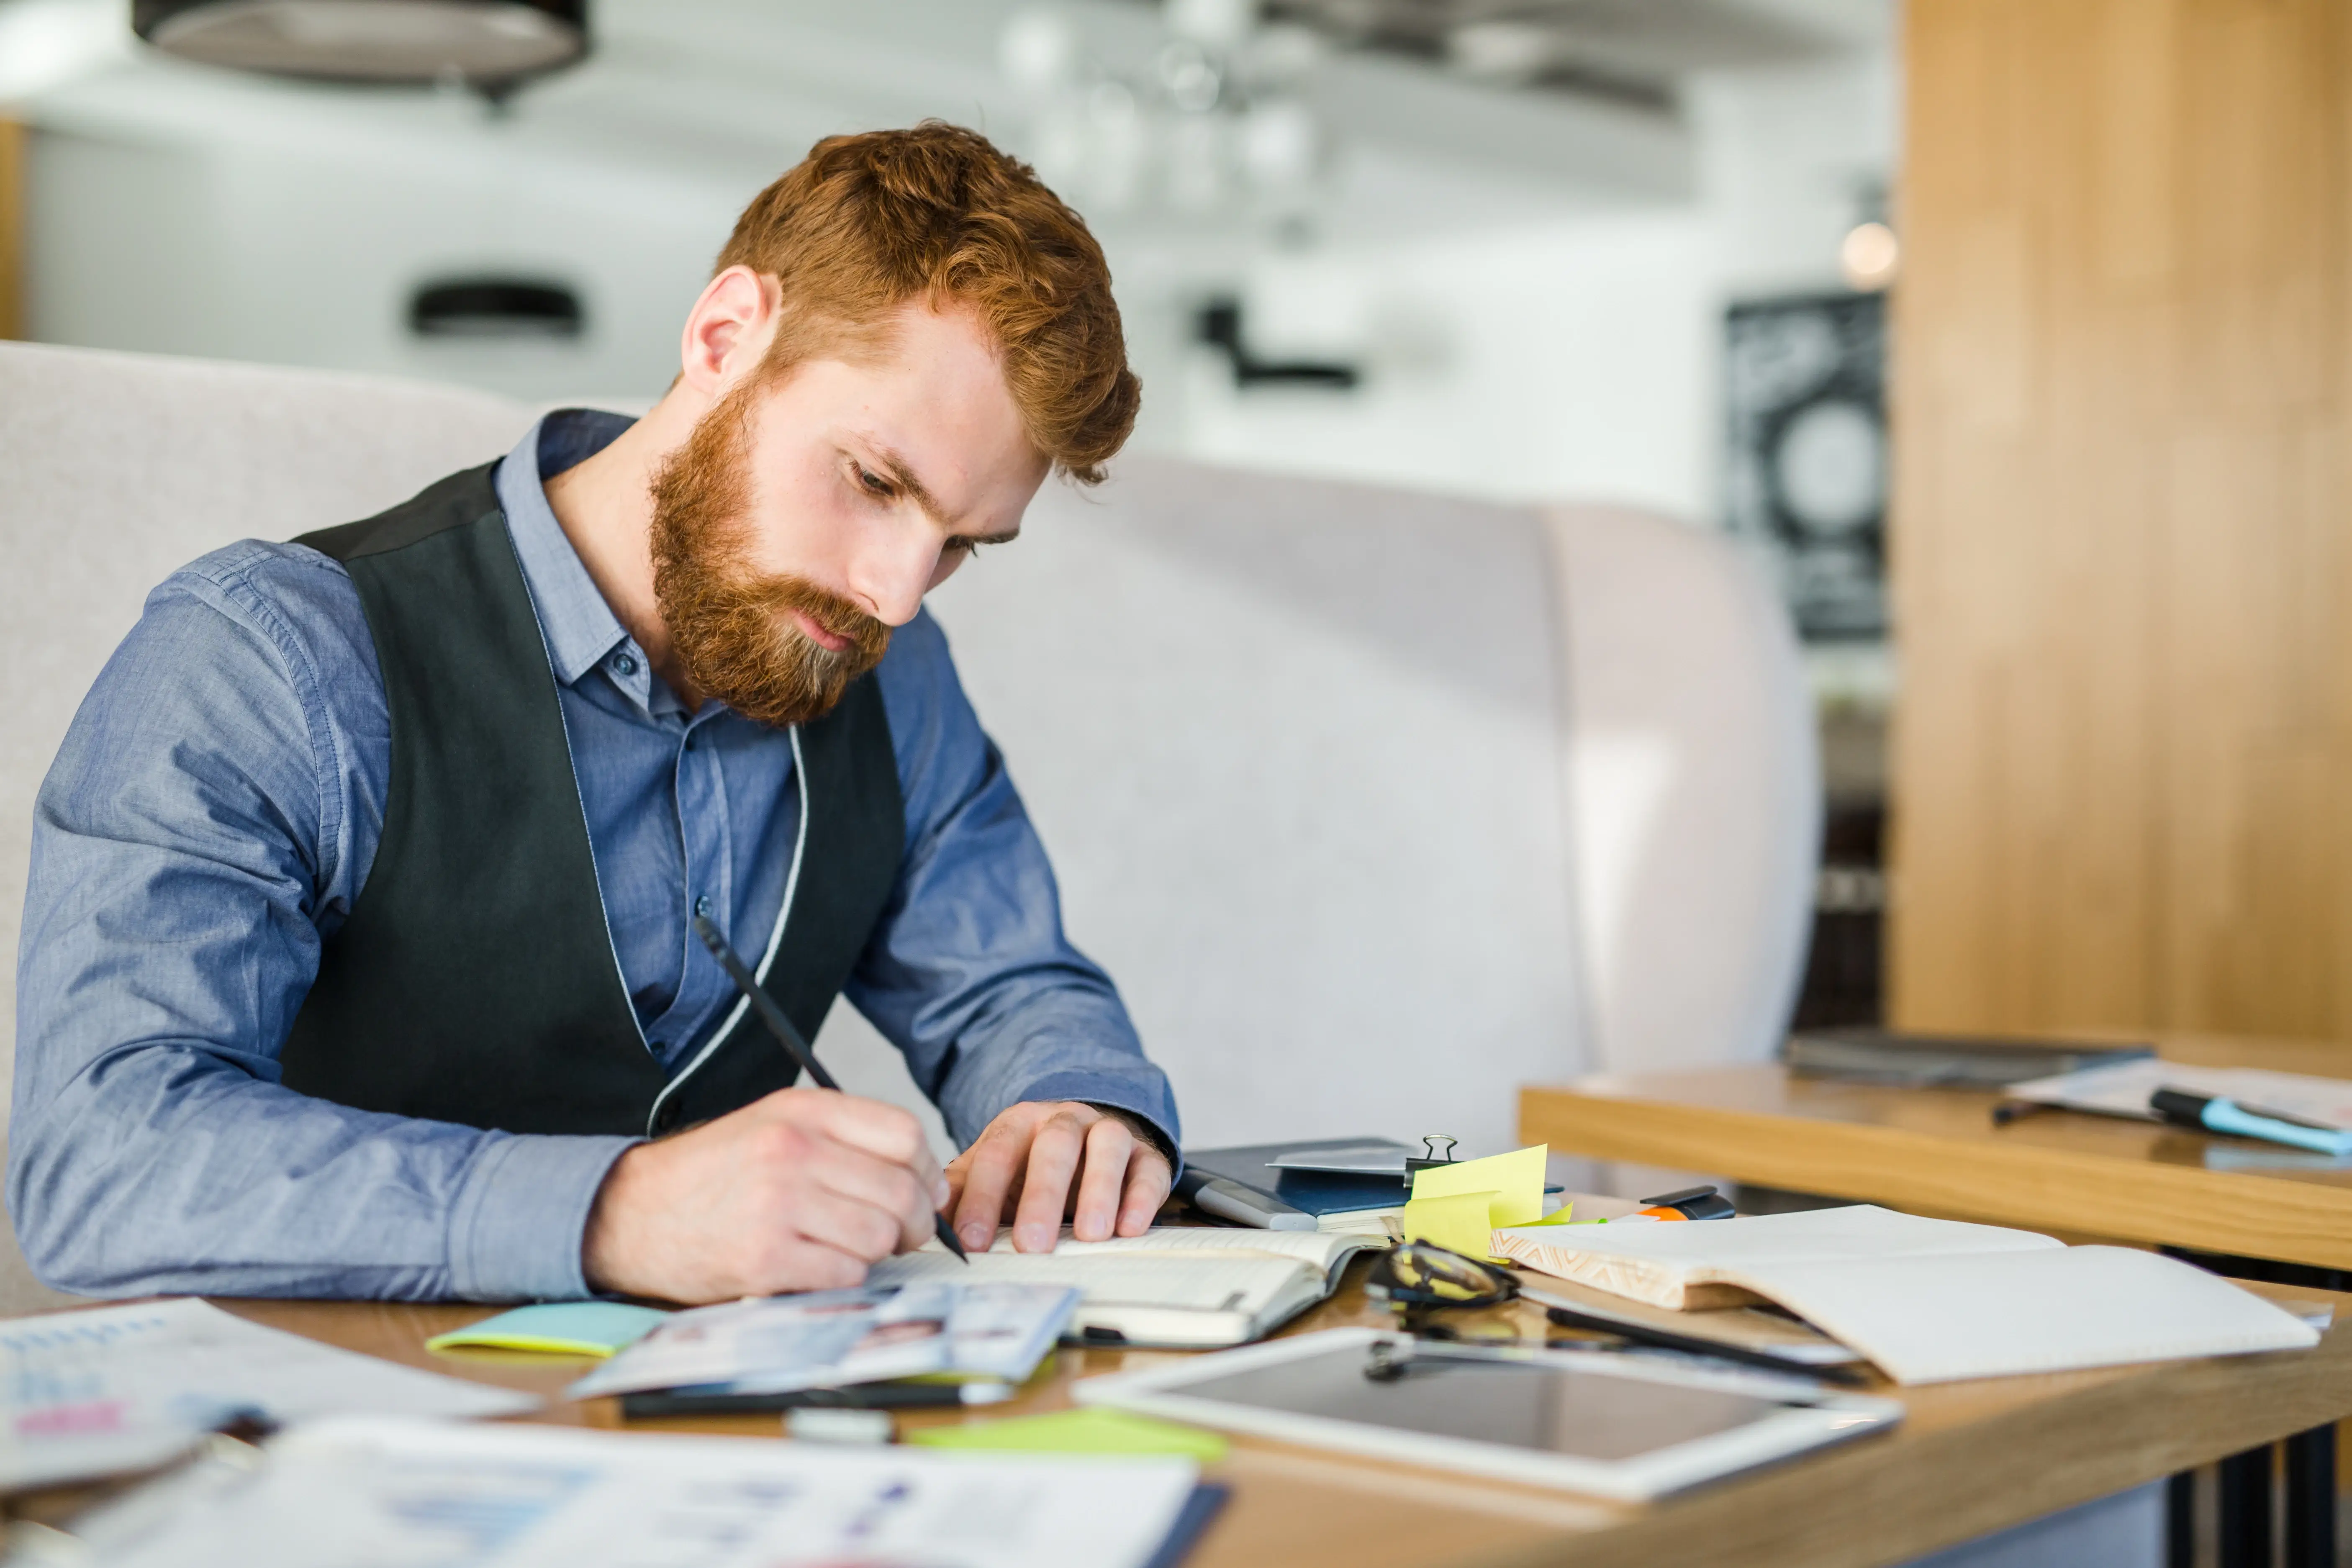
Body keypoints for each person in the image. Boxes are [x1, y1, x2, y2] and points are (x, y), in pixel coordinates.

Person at [8, 123, 1179, 1306]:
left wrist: (1076, 1104)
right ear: (726, 335)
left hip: (741, 1432)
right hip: (328, 1424)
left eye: (960, 547)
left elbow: (1005, 987)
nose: (893, 594)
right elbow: (97, 1157)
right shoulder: (268, 653)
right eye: (875, 484)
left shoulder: (894, 676)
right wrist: (614, 1213)